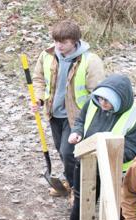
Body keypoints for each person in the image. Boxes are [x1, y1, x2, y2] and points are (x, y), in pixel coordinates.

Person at [50, 72, 136, 220]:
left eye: (107, 101)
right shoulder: (94, 102)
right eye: (101, 99)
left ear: (121, 100)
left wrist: (103, 152)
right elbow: (80, 120)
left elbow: (132, 149)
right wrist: (77, 132)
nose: (102, 104)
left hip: (117, 172)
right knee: (81, 202)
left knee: (116, 209)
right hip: (86, 163)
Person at [37, 20, 105, 203]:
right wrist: (39, 98)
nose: (58, 46)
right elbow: (38, 78)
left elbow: (98, 92)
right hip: (54, 113)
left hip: (76, 117)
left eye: (63, 42)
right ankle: (69, 181)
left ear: (74, 41)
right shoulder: (47, 55)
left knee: (68, 152)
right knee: (61, 150)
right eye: (56, 41)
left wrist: (90, 118)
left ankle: (77, 189)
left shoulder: (91, 61)